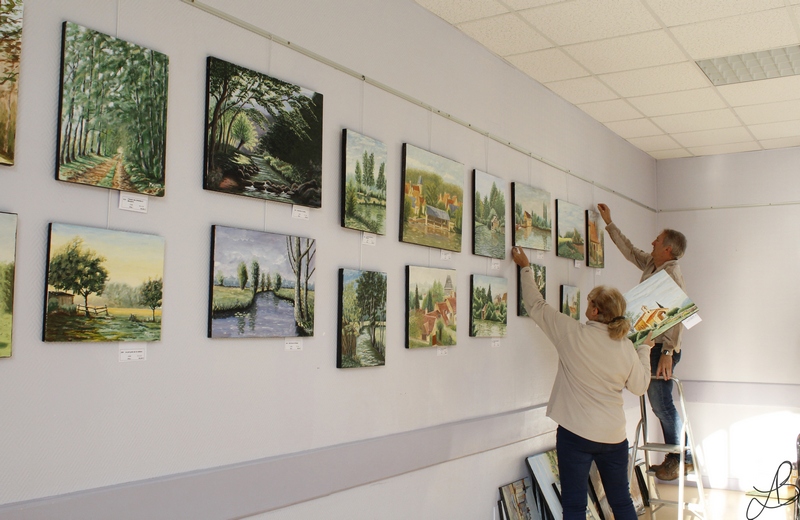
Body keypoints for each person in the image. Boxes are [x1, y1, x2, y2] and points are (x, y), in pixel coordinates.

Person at [512, 246, 652, 520]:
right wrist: (644, 349)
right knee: (621, 502)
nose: (585, 307)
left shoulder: (572, 334)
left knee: (574, 506)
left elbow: (536, 305)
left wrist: (525, 267)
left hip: (576, 436)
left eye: (589, 303)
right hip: (614, 437)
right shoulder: (625, 347)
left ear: (596, 310)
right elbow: (639, 387)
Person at [596, 203, 691, 481]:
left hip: (663, 348)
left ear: (668, 249)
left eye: (658, 240)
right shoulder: (653, 262)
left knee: (662, 404)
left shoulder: (672, 274)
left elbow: (678, 315)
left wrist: (668, 354)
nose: (652, 241)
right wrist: (609, 222)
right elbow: (629, 250)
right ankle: (680, 457)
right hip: (653, 345)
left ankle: (679, 458)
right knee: (658, 403)